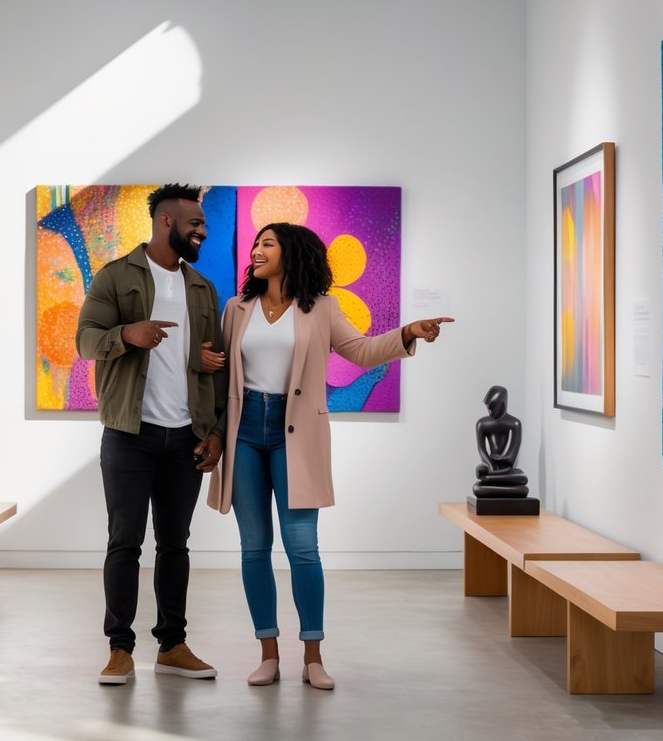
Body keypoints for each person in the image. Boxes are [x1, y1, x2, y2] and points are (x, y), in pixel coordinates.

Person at [204, 222, 451, 690]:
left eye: (267, 244)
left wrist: (406, 333)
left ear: (291, 253)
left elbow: (359, 351)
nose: (256, 250)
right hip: (245, 432)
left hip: (294, 433)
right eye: (256, 243)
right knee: (254, 548)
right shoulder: (237, 309)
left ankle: (313, 657)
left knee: (303, 550)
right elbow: (222, 376)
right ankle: (269, 654)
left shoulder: (321, 308)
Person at [76, 184, 227, 686]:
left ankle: (172, 644)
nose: (202, 231)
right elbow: (85, 341)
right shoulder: (116, 276)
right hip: (128, 434)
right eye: (195, 224)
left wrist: (218, 432)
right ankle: (120, 649)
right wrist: (127, 335)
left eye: (203, 224)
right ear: (166, 222)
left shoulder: (203, 289)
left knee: (175, 544)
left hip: (186, 437)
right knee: (124, 543)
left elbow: (217, 367)